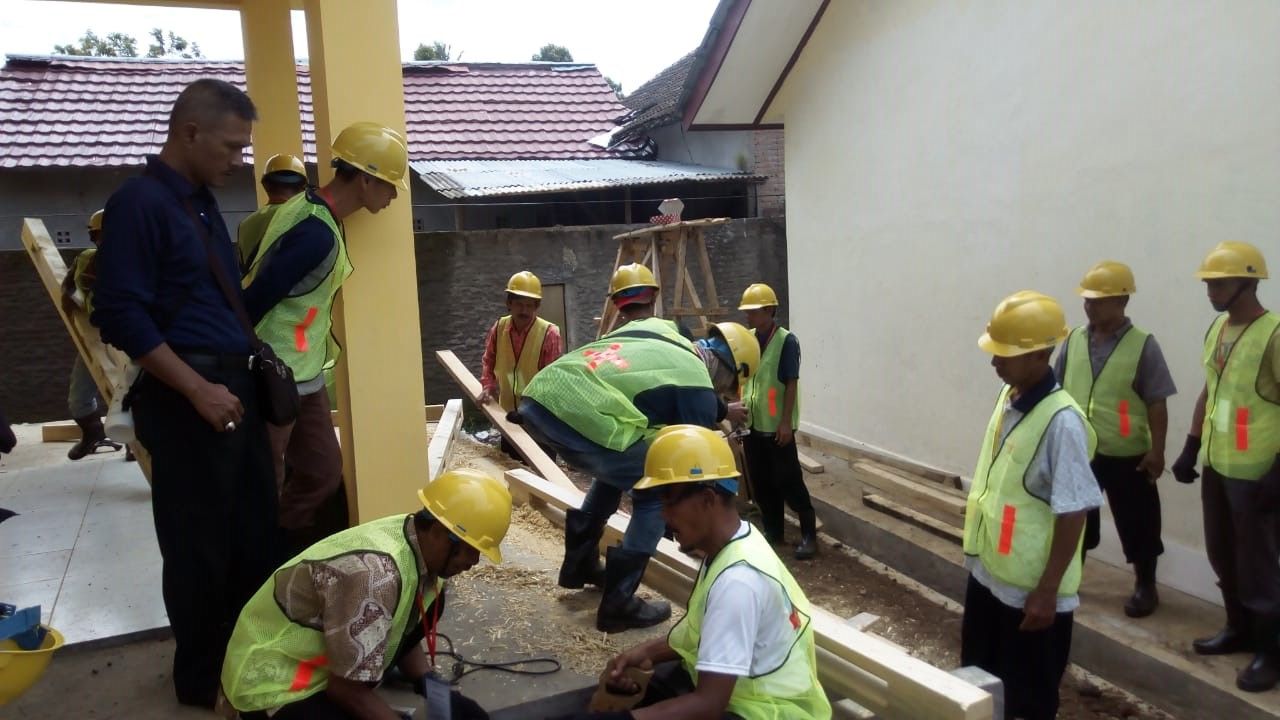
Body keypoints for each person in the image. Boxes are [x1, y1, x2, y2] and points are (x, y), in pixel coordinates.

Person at [90, 78, 280, 708]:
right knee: (200, 546)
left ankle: (247, 664)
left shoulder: (199, 203)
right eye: (229, 147)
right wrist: (197, 388)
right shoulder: (139, 204)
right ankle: (201, 682)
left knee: (253, 536)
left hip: (232, 386)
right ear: (189, 132)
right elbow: (120, 314)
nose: (237, 160)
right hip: (189, 395)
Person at [517, 264, 751, 633]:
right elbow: (696, 463)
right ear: (728, 369)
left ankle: (578, 565)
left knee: (621, 462)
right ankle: (619, 604)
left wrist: (720, 409)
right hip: (578, 415)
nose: (723, 391)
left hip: (543, 399)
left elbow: (666, 387)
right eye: (728, 384)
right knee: (654, 486)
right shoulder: (699, 385)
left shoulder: (660, 335)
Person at [553, 425, 831, 720]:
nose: (662, 513)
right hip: (740, 696)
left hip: (763, 712)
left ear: (708, 499)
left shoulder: (739, 583)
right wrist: (647, 652)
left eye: (669, 498)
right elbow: (703, 634)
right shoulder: (733, 544)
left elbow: (708, 706)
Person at [221, 469, 507, 720]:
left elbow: (402, 625)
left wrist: (430, 685)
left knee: (435, 602)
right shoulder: (375, 577)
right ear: (437, 530)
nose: (473, 562)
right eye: (470, 549)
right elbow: (345, 688)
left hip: (328, 674)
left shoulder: (420, 547)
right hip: (273, 683)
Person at [242, 122, 408, 554]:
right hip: (276, 373)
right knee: (266, 480)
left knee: (320, 471)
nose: (393, 197)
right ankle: (259, 568)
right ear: (366, 181)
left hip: (304, 374)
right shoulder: (314, 234)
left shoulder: (314, 214)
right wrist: (251, 367)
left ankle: (283, 549)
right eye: (389, 186)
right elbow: (255, 299)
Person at [961, 290, 1101, 720]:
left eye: (1004, 354)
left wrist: (1045, 591)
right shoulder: (1011, 396)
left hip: (1030, 597)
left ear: (1040, 356)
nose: (994, 363)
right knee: (980, 682)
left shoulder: (1063, 423)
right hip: (989, 575)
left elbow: (1074, 510)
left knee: (1028, 699)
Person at [1171, 241, 1280, 693]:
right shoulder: (1218, 330)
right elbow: (1210, 390)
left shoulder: (1274, 334)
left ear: (1249, 282)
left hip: (1257, 472)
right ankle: (1238, 628)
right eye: (1208, 284)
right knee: (1223, 554)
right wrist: (1191, 445)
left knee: (1258, 565)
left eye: (1219, 283)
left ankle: (1272, 651)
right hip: (1219, 465)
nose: (1211, 291)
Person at [1054, 261, 1176, 617]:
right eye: (1087, 299)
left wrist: (1157, 450)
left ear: (1122, 301)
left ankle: (1146, 586)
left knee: (1139, 522)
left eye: (1098, 300)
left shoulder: (1143, 346)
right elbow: (1058, 389)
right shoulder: (1075, 339)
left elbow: (1157, 401)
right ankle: (1068, 577)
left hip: (1126, 453)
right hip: (1080, 450)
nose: (1089, 306)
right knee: (1074, 519)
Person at [737, 282, 818, 559]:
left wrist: (786, 422)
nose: (749, 317)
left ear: (770, 310)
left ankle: (809, 535)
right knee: (762, 483)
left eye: (754, 311)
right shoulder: (747, 339)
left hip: (776, 427)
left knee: (789, 480)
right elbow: (742, 378)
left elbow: (790, 383)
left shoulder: (786, 341)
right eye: (747, 312)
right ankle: (774, 534)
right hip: (752, 425)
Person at [477, 270, 564, 460]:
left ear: (536, 307)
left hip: (539, 422)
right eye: (518, 304)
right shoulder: (499, 328)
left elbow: (551, 381)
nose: (524, 311)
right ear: (509, 303)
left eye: (529, 306)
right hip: (508, 418)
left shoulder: (549, 333)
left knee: (542, 477)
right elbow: (489, 359)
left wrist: (531, 412)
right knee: (512, 471)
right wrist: (488, 386)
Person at [60, 209, 121, 460]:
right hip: (96, 335)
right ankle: (93, 434)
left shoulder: (138, 261)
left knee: (131, 393)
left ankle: (135, 443)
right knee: (79, 398)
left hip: (132, 337)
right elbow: (70, 292)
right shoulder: (87, 260)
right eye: (98, 236)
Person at [237, 153, 308, 273]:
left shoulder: (244, 224)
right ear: (302, 188)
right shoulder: (304, 219)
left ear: (265, 185)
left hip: (253, 290)